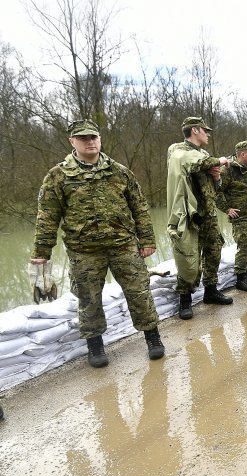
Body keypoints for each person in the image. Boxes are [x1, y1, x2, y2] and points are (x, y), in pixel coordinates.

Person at [31, 119, 164, 368]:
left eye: (93, 137)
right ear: (72, 142)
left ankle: (153, 338)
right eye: (83, 138)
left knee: (139, 292)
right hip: (84, 252)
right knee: (88, 299)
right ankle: (95, 346)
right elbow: (47, 216)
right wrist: (42, 252)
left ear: (100, 139)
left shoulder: (119, 171)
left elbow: (140, 207)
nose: (90, 141)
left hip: (123, 245)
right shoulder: (59, 176)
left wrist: (147, 239)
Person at [166, 116, 233, 320]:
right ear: (195, 130)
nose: (208, 134)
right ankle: (185, 299)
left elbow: (215, 188)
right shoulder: (179, 152)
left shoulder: (202, 154)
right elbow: (194, 163)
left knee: (214, 251)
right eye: (205, 130)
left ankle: (210, 291)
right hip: (190, 216)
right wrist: (220, 160)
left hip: (209, 214)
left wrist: (217, 177)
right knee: (188, 255)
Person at [216, 140, 247, 292]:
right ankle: (240, 278)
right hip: (240, 217)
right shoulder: (228, 170)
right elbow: (216, 191)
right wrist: (227, 209)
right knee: (244, 248)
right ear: (243, 154)